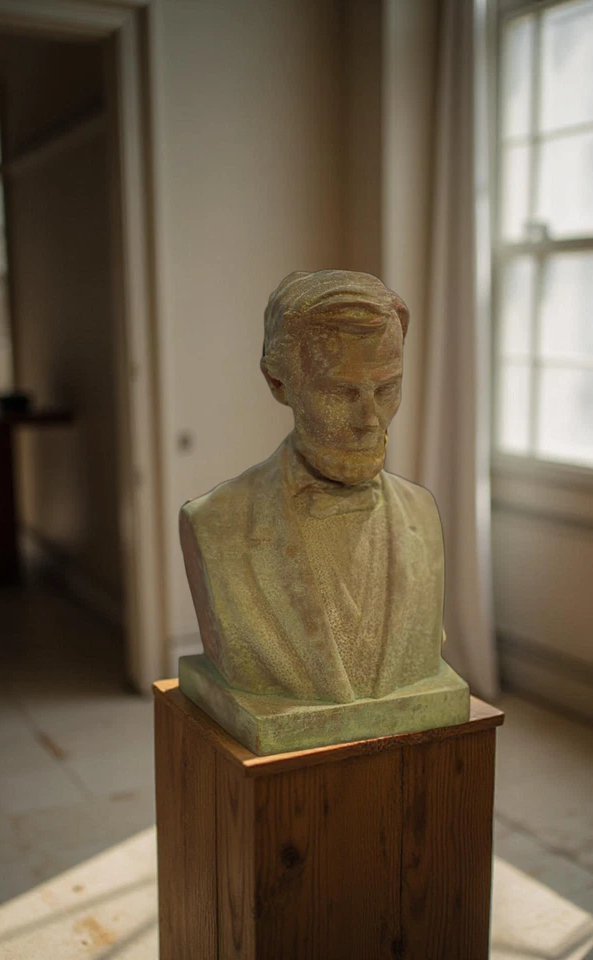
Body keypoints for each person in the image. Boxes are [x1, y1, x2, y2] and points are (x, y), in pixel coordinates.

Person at [180, 269, 446, 704]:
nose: (369, 421)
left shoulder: (422, 513)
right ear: (279, 384)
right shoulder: (215, 524)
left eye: (387, 389)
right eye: (341, 394)